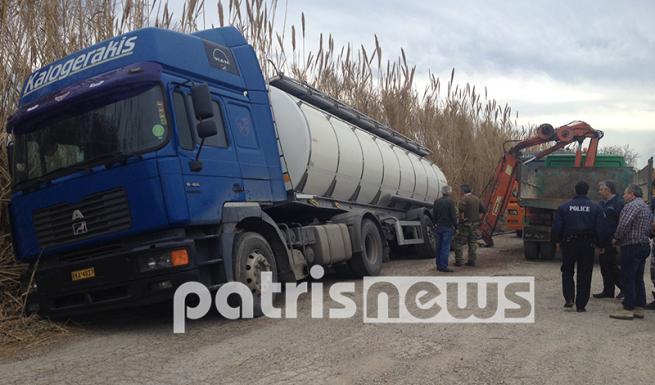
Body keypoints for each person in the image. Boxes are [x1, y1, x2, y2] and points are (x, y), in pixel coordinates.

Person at [552, 180, 604, 312]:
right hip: (587, 244)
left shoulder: (564, 207)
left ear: (575, 191)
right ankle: (581, 305)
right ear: (587, 191)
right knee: (585, 273)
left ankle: (569, 298)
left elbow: (557, 227)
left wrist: (557, 242)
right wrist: (601, 244)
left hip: (569, 243)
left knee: (567, 271)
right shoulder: (595, 207)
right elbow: (600, 228)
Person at [609, 184, 654, 320]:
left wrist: (616, 238)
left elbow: (624, 224)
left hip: (631, 246)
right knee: (638, 278)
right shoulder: (646, 207)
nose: (623, 196)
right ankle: (639, 307)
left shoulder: (631, 206)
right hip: (644, 245)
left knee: (627, 277)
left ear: (632, 194)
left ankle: (628, 307)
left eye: (625, 193)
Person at [593, 180, 624, 299]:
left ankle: (624, 287)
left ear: (608, 190)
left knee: (611, 265)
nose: (599, 191)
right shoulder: (601, 204)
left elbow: (621, 223)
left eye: (601, 189)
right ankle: (608, 291)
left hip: (612, 240)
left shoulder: (618, 203)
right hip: (602, 239)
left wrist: (617, 239)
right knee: (604, 266)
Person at [453, 184, 485, 267]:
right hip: (475, 224)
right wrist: (478, 218)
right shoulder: (477, 198)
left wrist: (462, 219)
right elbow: (483, 210)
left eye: (460, 190)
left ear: (463, 191)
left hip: (465, 225)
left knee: (458, 242)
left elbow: (461, 211)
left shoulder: (464, 199)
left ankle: (459, 261)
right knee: (472, 242)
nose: (460, 192)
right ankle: (472, 261)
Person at [432, 185, 457, 272]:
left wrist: (434, 224)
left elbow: (434, 215)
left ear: (442, 192)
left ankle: (438, 265)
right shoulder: (450, 202)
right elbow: (453, 216)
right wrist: (456, 226)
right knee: (445, 247)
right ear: (449, 192)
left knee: (438, 246)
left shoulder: (436, 202)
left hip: (438, 227)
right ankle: (443, 266)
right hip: (447, 227)